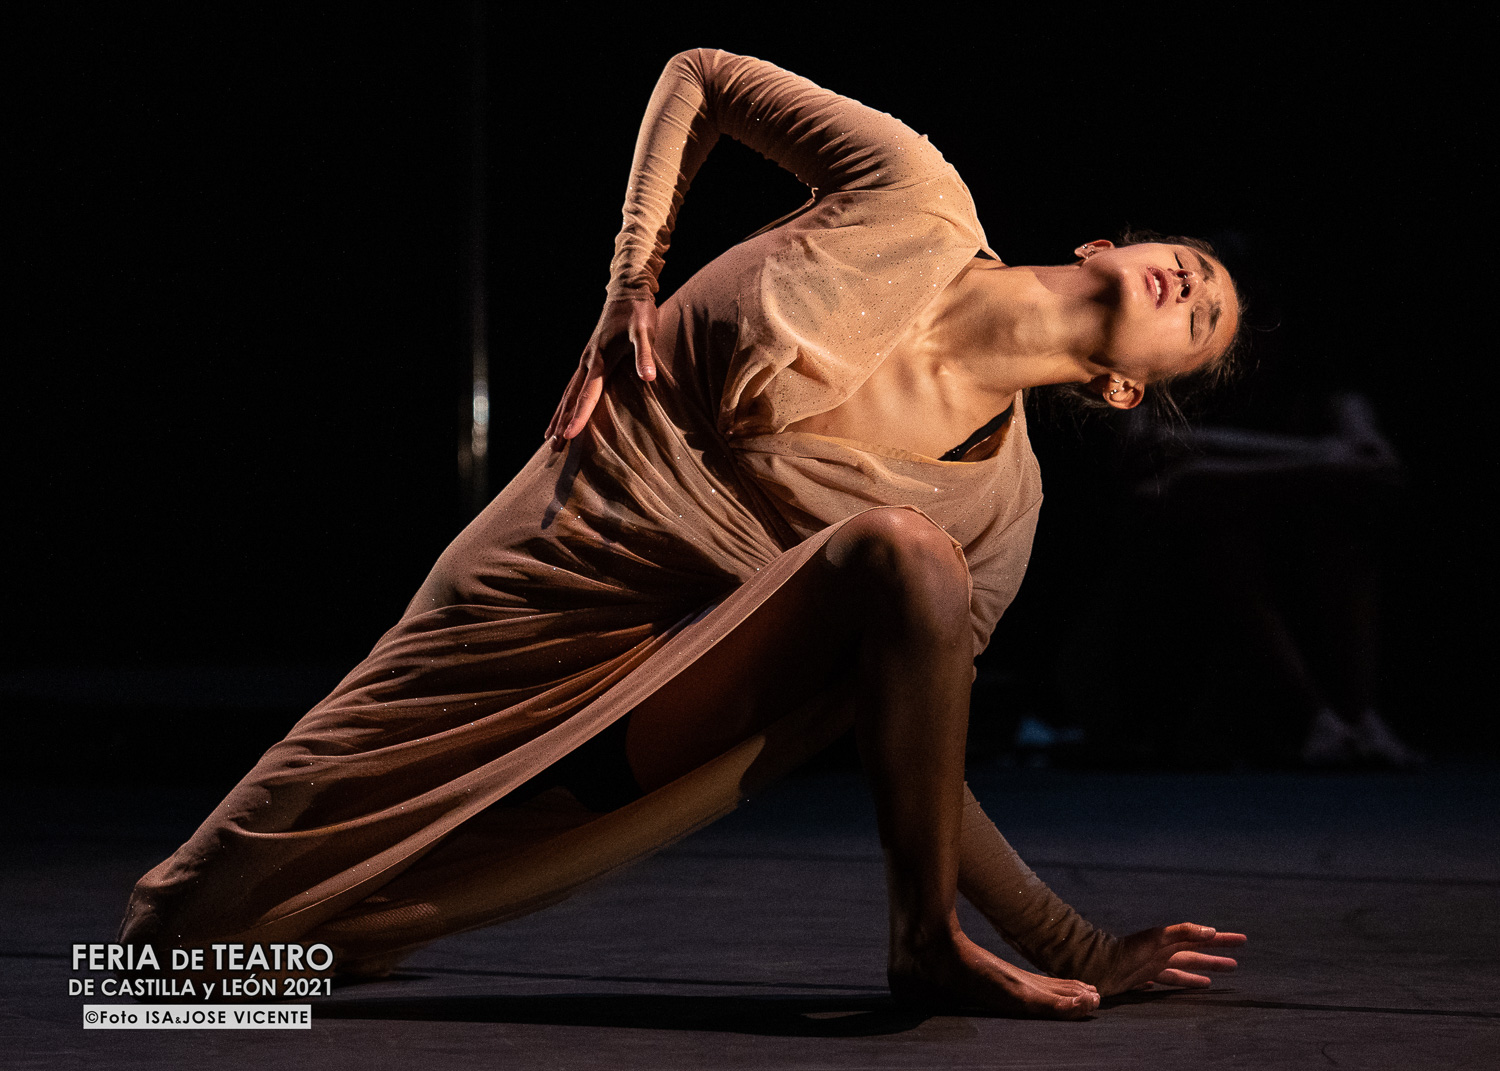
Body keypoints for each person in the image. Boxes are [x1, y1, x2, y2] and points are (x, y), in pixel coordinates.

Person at [121, 49, 1245, 1019]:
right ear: (1098, 246)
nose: (1193, 287)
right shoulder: (914, 192)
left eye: (1204, 321)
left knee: (909, 556)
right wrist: (631, 282)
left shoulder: (999, 508)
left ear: (1124, 392)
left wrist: (1066, 940)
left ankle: (924, 945)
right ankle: (299, 949)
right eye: (1194, 267)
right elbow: (700, 76)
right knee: (168, 949)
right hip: (553, 555)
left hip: (673, 688)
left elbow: (915, 735)